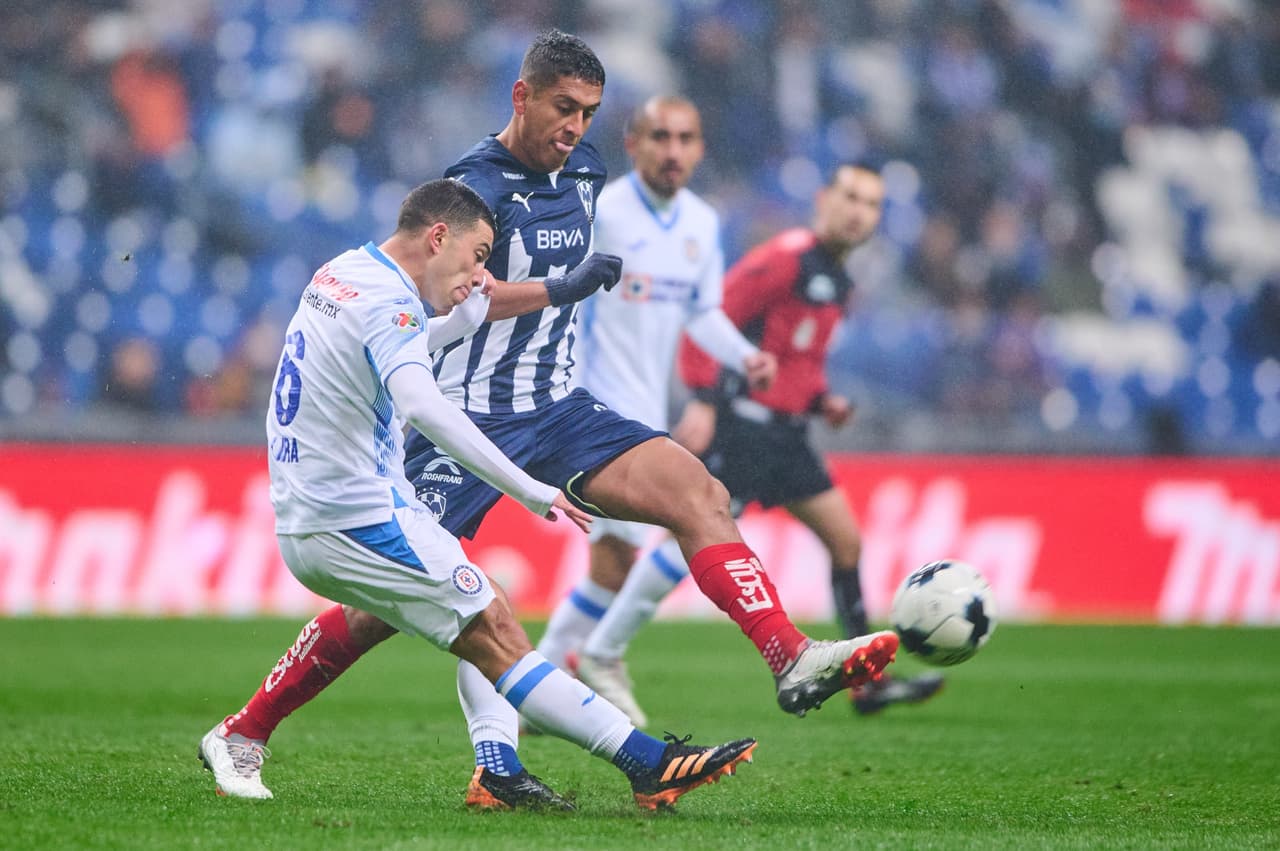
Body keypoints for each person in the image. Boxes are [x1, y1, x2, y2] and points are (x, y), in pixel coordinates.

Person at [203, 31, 897, 809]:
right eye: (563, 107)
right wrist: (565, 287)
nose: (574, 127)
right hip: (467, 413)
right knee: (391, 611)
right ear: (522, 97)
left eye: (588, 113)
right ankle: (263, 726)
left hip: (560, 404)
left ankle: (789, 655)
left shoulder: (591, 169)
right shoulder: (472, 188)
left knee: (697, 493)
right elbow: (465, 292)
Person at [198, 177, 758, 811]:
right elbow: (424, 405)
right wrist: (531, 490)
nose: (478, 276)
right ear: (438, 237)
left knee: (486, 608)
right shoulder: (393, 305)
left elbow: (389, 345)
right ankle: (647, 763)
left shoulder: (345, 273)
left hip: (324, 508)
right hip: (353, 517)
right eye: (479, 255)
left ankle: (484, 769)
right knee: (491, 625)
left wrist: (459, 323)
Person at [575, 163, 945, 723]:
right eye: (848, 196)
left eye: (869, 204)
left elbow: (796, 359)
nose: (856, 210)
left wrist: (822, 402)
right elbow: (709, 318)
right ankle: (601, 650)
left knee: (846, 543)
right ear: (823, 199)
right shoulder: (786, 259)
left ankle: (869, 687)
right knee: (688, 541)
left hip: (790, 438)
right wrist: (701, 396)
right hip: (745, 429)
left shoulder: (839, 277)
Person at [531, 94, 777, 728]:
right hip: (590, 412)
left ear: (699, 148)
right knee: (684, 519)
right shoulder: (602, 213)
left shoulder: (700, 222)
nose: (673, 151)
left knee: (615, 562)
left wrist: (744, 356)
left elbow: (703, 312)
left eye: (686, 138)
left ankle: (542, 681)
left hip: (645, 412)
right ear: (633, 144)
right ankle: (585, 662)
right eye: (660, 137)